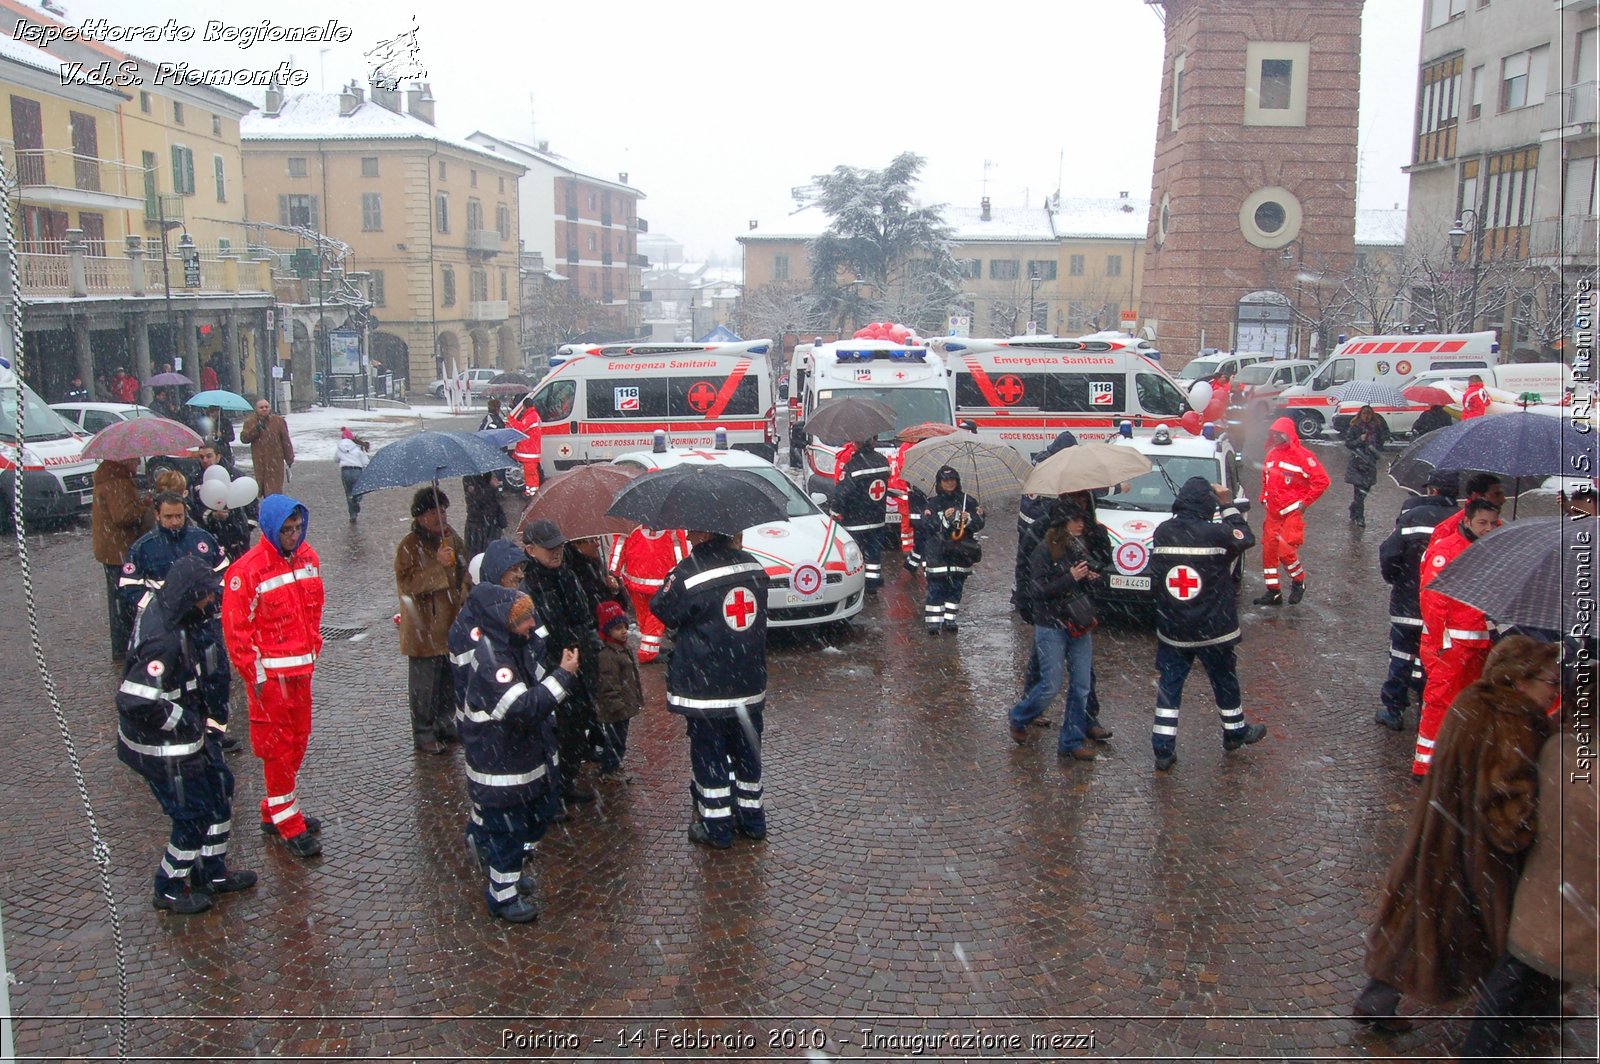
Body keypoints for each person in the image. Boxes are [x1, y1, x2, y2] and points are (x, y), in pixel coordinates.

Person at [1352, 636, 1557, 1033]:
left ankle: (1377, 997)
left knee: (1418, 920)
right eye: (1549, 680)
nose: (1554, 688)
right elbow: (1507, 812)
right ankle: (1525, 1005)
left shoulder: (1472, 701)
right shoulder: (1515, 723)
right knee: (1510, 936)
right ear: (1520, 680)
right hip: (1477, 856)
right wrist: (1538, 820)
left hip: (1440, 840)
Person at [116, 555, 256, 914]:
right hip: (163, 749)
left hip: (188, 739)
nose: (212, 601)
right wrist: (183, 720)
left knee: (220, 790)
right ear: (189, 595)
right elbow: (135, 700)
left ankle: (212, 871)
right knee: (192, 813)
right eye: (206, 595)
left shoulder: (178, 619)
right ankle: (169, 885)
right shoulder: (162, 639)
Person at [1460, 718, 1598, 1062]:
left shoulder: (1557, 749)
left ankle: (1477, 1054)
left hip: (1544, 898)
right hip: (1585, 904)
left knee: (1511, 978)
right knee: (1513, 978)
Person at [448, 577, 576, 923]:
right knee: (508, 834)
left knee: (524, 827)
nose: (532, 625)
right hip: (501, 770)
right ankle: (502, 897)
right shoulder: (494, 662)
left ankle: (510, 879)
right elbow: (523, 706)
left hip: (517, 763)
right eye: (524, 620)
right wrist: (562, 677)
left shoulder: (513, 648)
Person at [220, 493, 325, 859]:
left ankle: (277, 809)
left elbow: (314, 607)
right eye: (287, 530)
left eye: (298, 529)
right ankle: (287, 822)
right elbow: (237, 631)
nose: (294, 537)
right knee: (277, 751)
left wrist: (312, 645)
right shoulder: (247, 572)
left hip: (300, 673)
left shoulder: (308, 559)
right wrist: (257, 675)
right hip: (271, 681)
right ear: (271, 528)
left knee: (297, 742)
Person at [651, 529, 770, 849]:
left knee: (711, 755)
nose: (688, 535)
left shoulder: (689, 572)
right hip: (748, 681)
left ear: (705, 533)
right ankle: (753, 819)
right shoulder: (754, 567)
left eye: (693, 530)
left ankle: (717, 827)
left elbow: (662, 608)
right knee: (747, 752)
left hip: (707, 686)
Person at [1148, 477, 1266, 772]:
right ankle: (1234, 732)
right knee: (1224, 680)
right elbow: (1245, 537)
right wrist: (1227, 506)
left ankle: (1163, 749)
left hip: (1175, 629)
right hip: (1213, 628)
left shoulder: (1163, 532)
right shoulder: (1216, 534)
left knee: (1170, 687)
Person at [1414, 498, 1502, 778]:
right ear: (1467, 521)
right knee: (1439, 702)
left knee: (1471, 704)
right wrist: (1441, 642)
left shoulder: (1490, 551)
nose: (1488, 529)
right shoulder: (1447, 550)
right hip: (1452, 645)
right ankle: (1425, 765)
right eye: (1482, 523)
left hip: (1479, 643)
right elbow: (1432, 599)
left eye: (1492, 523)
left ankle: (1457, 759)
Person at [1007, 500, 1100, 761]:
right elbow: (1038, 590)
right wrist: (1070, 577)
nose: (1081, 524)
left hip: (1078, 624)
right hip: (1051, 625)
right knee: (1051, 684)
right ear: (1062, 524)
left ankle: (1071, 740)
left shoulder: (1080, 547)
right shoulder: (1044, 551)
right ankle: (1019, 716)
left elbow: (1083, 585)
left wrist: (1091, 579)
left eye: (1082, 519)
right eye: (1075, 520)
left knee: (1081, 685)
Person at [522, 519, 603, 804]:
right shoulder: (530, 585)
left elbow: (583, 612)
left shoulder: (566, 573)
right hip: (554, 667)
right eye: (549, 548)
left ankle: (567, 773)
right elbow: (542, 632)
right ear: (531, 550)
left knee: (577, 720)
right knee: (558, 726)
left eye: (559, 546)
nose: (556, 552)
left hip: (579, 660)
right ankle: (556, 784)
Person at [1375, 470, 1459, 731]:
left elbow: (1389, 554)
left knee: (1401, 654)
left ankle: (1394, 709)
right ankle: (1428, 709)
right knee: (1432, 659)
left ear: (1432, 490)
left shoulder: (1412, 516)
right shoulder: (1461, 522)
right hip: (1442, 608)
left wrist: (1398, 580)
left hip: (1407, 603)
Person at [395, 487, 469, 755]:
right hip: (423, 628)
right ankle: (424, 732)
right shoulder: (409, 546)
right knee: (424, 686)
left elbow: (464, 571)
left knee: (448, 681)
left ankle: (445, 723)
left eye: (444, 509)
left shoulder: (451, 538)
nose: (441, 516)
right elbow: (407, 584)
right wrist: (437, 566)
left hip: (451, 623)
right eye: (434, 511)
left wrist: (465, 593)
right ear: (421, 516)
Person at [1254, 416, 1330, 605]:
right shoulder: (1271, 454)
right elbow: (1266, 478)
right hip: (1272, 512)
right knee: (1269, 552)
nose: (1277, 437)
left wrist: (1304, 503)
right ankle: (1273, 591)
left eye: (1280, 433)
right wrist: (1264, 497)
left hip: (1291, 512)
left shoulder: (1304, 456)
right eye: (1274, 433)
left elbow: (1322, 481)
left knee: (1285, 551)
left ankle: (1298, 581)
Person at [92, 456, 151, 658]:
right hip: (119, 550)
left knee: (118, 600)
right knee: (123, 601)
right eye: (135, 461)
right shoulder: (117, 482)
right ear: (124, 460)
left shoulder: (111, 478)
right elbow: (123, 516)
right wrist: (144, 506)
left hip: (112, 549)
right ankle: (124, 647)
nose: (137, 465)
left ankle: (123, 645)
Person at [1012, 430, 1078, 611]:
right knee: (1039, 560)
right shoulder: (1055, 466)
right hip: (1039, 523)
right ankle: (1029, 596)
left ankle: (1019, 593)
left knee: (1023, 560)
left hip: (1025, 520)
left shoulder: (1040, 460)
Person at [921, 465, 984, 633]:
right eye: (945, 480)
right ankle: (933, 622)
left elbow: (980, 523)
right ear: (939, 483)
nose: (949, 483)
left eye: (952, 480)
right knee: (936, 588)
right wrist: (944, 518)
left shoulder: (968, 501)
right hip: (938, 554)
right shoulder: (932, 503)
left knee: (956, 588)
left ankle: (950, 619)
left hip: (960, 554)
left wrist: (969, 518)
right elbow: (927, 525)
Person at [616, 526, 690, 664]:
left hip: (635, 575)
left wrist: (614, 571)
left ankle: (650, 646)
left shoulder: (628, 519)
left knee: (643, 615)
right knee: (656, 615)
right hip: (660, 577)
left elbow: (619, 545)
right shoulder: (672, 519)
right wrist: (684, 569)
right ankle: (648, 652)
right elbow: (678, 548)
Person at [832, 436, 891, 593]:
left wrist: (835, 512)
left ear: (857, 443)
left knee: (854, 555)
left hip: (856, 519)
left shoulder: (854, 465)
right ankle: (872, 584)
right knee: (874, 554)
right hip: (878, 518)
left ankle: (856, 586)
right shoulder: (883, 461)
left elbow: (842, 493)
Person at [593, 599, 642, 782]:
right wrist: (617, 706)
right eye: (617, 628)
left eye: (624, 627)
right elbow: (608, 685)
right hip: (615, 710)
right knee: (615, 741)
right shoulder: (608, 655)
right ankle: (609, 769)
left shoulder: (622, 649)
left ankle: (613, 764)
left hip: (622, 706)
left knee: (619, 740)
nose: (623, 631)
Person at [240, 397, 293, 497]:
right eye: (261, 407)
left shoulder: (278, 421)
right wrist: (256, 429)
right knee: (262, 486)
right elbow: (244, 438)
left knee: (274, 489)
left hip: (275, 460)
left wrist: (289, 457)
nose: (264, 409)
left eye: (266, 407)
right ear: (256, 409)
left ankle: (273, 507)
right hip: (260, 461)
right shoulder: (250, 422)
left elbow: (285, 440)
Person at [1343, 405, 1386, 527]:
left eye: (1368, 414)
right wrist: (1359, 440)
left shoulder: (1376, 427)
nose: (1366, 416)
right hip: (1358, 464)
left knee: (1365, 490)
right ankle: (1360, 517)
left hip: (1370, 463)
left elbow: (1381, 441)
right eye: (1364, 414)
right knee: (1359, 492)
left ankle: (1354, 507)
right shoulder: (1355, 427)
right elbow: (1348, 443)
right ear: (1360, 415)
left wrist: (1376, 451)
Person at [461, 471, 506, 559]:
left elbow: (495, 500)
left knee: (494, 555)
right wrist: (491, 487)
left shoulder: (488, 474)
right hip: (477, 526)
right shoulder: (469, 477)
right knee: (478, 557)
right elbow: (476, 501)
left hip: (493, 524)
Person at [335, 427, 371, 521]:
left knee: (348, 493)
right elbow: (365, 462)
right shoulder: (357, 449)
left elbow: (336, 459)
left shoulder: (339, 448)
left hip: (345, 471)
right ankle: (357, 500)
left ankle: (352, 515)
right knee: (359, 489)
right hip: (357, 471)